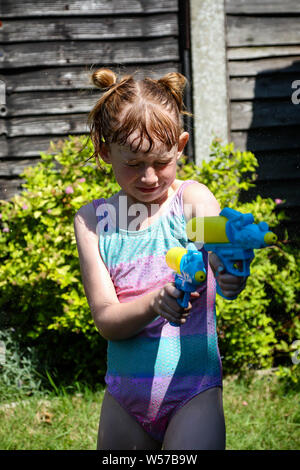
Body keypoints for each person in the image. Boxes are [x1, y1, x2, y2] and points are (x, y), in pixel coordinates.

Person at [74, 68, 247, 450]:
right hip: (124, 400)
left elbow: (214, 240)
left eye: (161, 161)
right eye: (134, 163)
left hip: (192, 393)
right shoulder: (92, 222)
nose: (150, 176)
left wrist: (228, 268)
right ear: (105, 152)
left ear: (181, 145)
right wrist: (154, 302)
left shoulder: (192, 199)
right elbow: (106, 319)